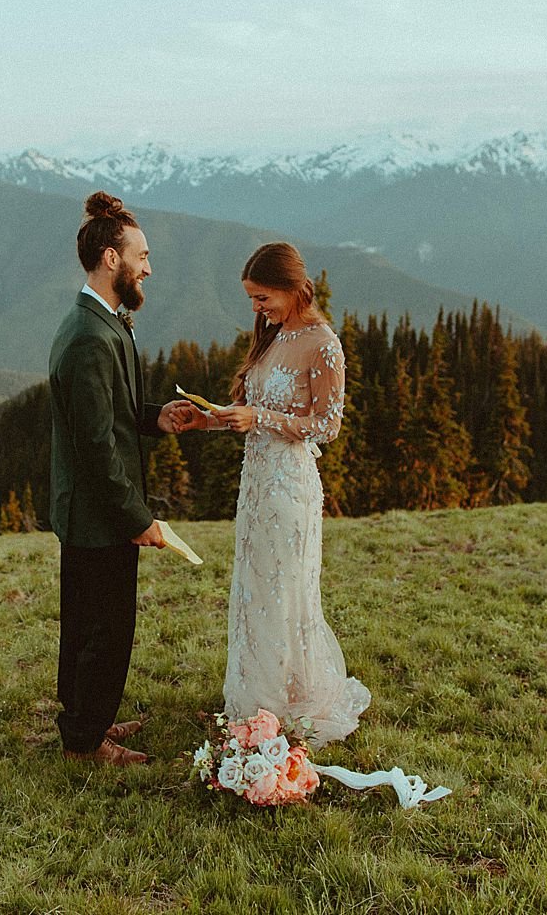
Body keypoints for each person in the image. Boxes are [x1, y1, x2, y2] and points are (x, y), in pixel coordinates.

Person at [172, 242, 371, 745]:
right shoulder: (272, 336)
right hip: (256, 485)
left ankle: (285, 702)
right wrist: (208, 420)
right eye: (252, 299)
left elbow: (327, 425)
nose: (256, 308)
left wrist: (259, 418)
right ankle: (253, 700)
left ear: (292, 288)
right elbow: (251, 414)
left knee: (284, 591)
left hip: (290, 485)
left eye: (263, 298)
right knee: (255, 590)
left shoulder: (323, 343)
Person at [48, 191, 191, 766]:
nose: (149, 267)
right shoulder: (88, 338)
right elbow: (95, 446)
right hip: (97, 514)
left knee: (88, 623)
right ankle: (86, 741)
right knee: (104, 629)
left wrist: (154, 417)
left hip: (92, 511)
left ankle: (87, 720)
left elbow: (109, 413)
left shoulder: (101, 323)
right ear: (112, 259)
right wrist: (137, 519)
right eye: (142, 255)